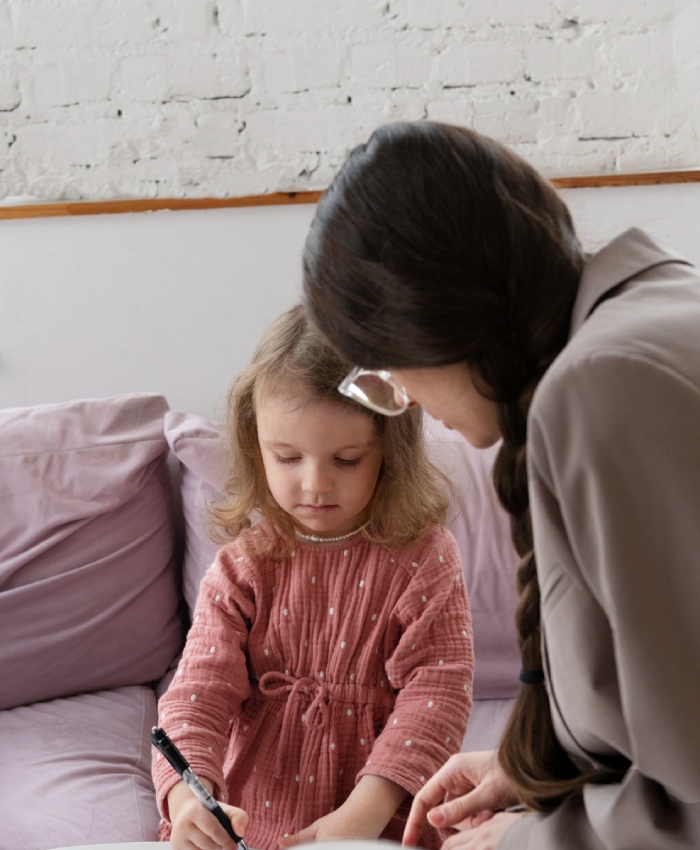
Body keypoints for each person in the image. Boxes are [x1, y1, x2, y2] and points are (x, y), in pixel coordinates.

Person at [302, 120, 700, 849]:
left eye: (384, 369)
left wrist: (524, 842)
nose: (406, 398)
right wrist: (536, 772)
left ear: (430, 322)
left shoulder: (603, 390)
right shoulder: (648, 309)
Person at [152, 303, 474, 850]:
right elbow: (197, 692)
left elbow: (437, 694)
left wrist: (365, 811)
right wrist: (189, 796)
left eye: (347, 459)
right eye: (288, 457)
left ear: (388, 454)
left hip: (379, 815)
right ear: (258, 450)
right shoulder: (244, 565)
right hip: (251, 820)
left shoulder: (425, 558)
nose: (316, 485)